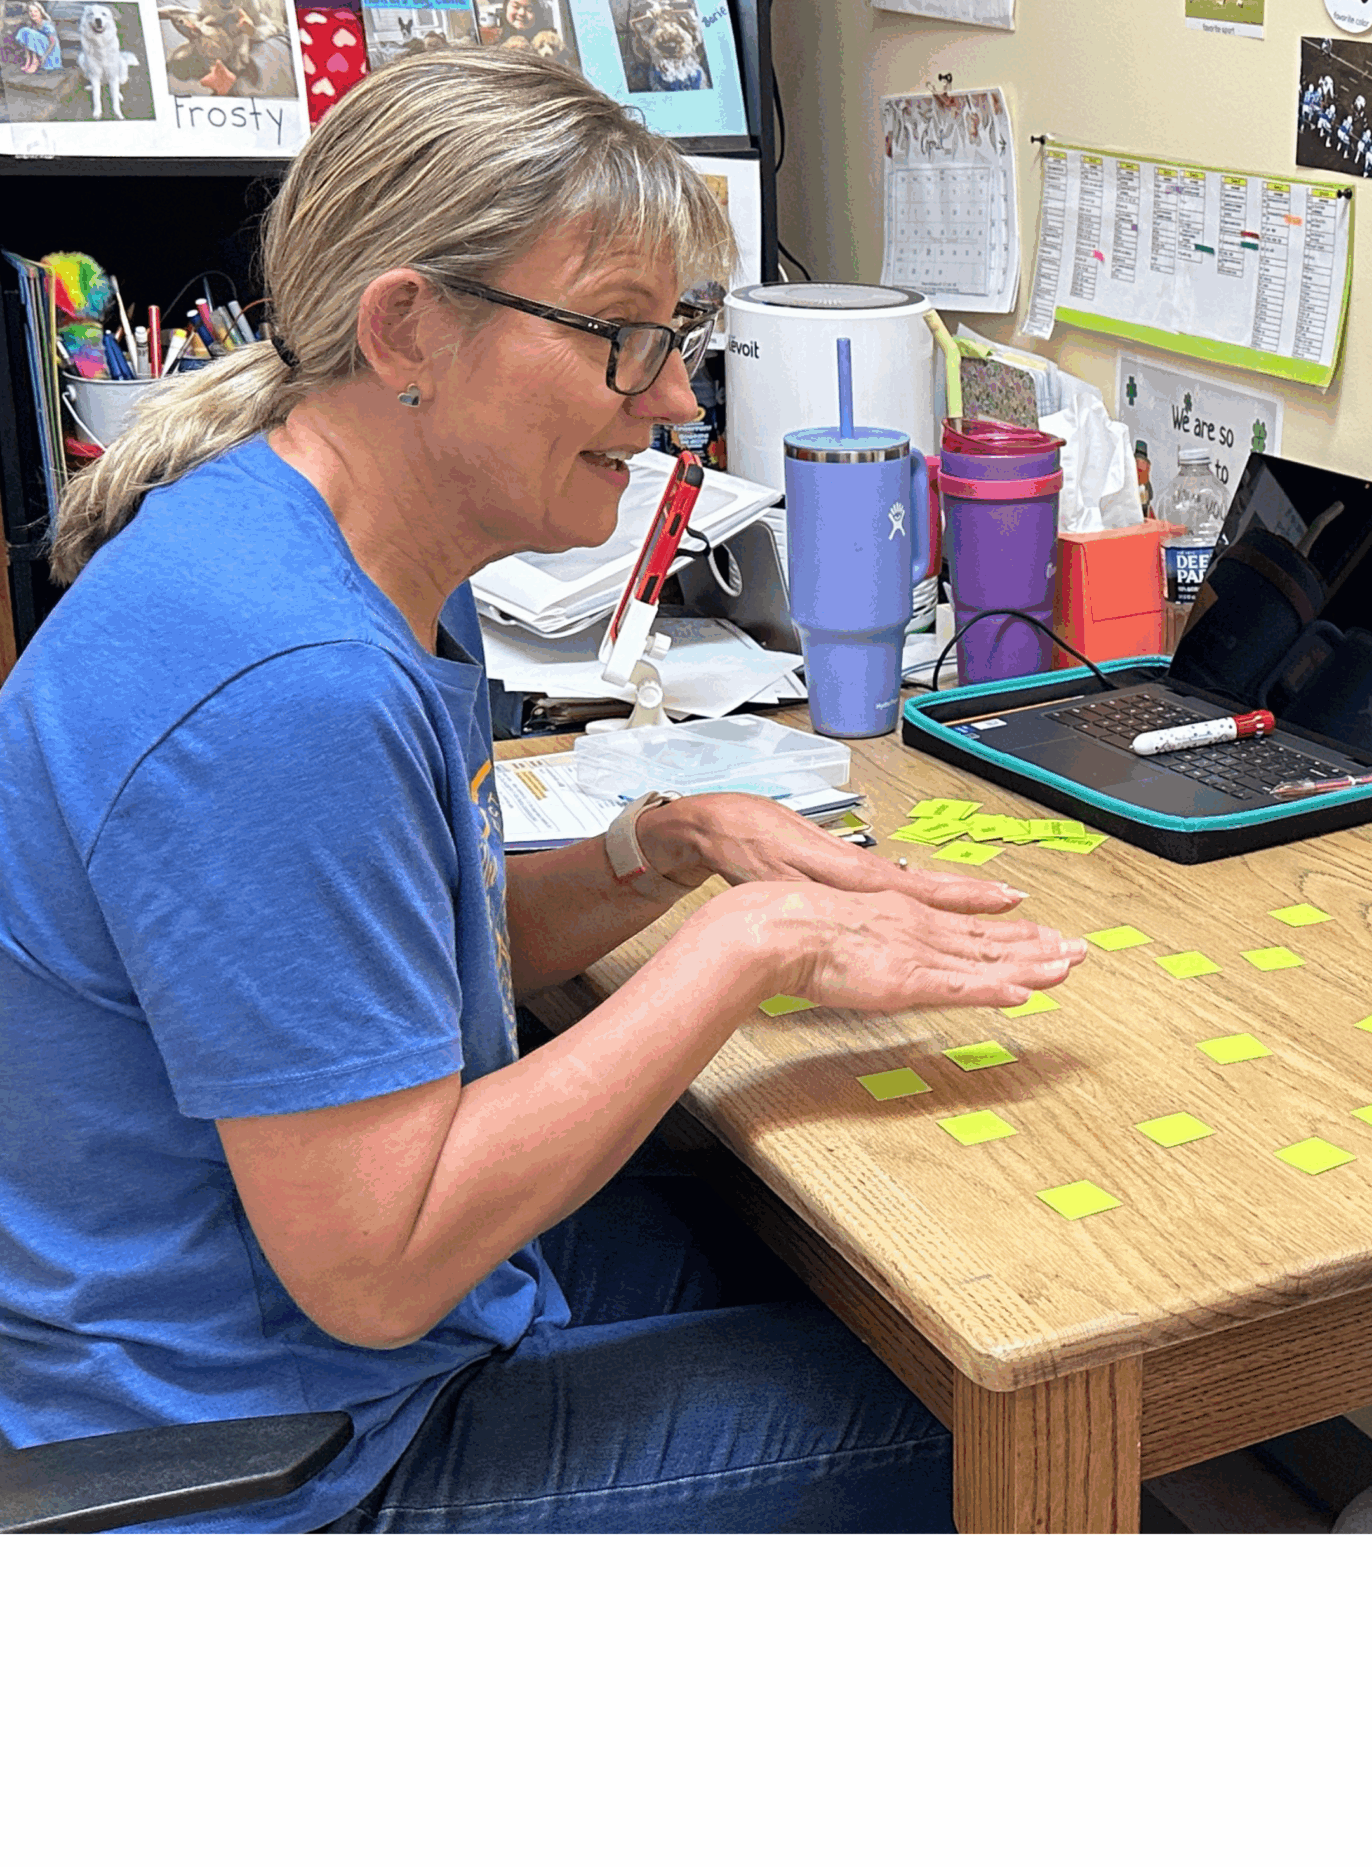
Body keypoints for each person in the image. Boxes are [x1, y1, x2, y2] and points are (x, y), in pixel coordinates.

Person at [0, 48, 1084, 1532]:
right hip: (271, 1454)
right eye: (623, 341)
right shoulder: (290, 684)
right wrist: (742, 950)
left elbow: (384, 978)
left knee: (765, 1252)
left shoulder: (307, 544)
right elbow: (378, 1266)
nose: (678, 406)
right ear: (408, 329)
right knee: (987, 1435)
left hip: (259, 1322)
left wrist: (664, 850)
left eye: (679, 338)